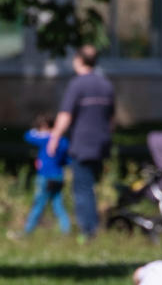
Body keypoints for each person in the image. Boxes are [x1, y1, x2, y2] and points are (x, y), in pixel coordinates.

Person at [48, 45, 115, 241]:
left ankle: (88, 231)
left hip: (83, 142)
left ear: (78, 60)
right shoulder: (106, 84)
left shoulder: (77, 85)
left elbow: (65, 115)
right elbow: (112, 119)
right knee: (91, 185)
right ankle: (92, 226)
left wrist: (54, 137)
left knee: (82, 188)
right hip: (102, 142)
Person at [12, 113, 71, 238]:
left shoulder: (46, 139)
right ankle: (66, 231)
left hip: (45, 177)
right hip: (58, 177)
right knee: (58, 205)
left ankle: (27, 232)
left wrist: (41, 131)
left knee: (38, 204)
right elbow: (68, 160)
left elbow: (28, 136)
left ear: (44, 126)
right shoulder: (63, 141)